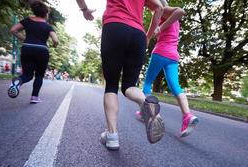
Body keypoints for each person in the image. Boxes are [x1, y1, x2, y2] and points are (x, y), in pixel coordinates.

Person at [76, 0, 165, 150]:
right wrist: (147, 36)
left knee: (111, 85)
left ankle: (112, 136)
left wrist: (84, 9)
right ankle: (145, 102)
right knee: (129, 86)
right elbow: (159, 7)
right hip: (138, 34)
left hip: (115, 27)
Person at [137, 0, 199, 137]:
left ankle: (147, 113)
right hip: (173, 56)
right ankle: (187, 116)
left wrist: (160, 27)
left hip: (160, 52)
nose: (148, 6)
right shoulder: (174, 21)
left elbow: (181, 11)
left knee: (147, 83)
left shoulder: (164, 11)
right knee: (176, 86)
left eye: (148, 4)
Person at [7, 1, 59, 104]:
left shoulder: (27, 21)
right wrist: (54, 45)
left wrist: (24, 39)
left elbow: (13, 30)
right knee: (39, 75)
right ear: (45, 14)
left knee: (27, 74)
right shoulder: (48, 26)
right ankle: (34, 97)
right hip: (42, 50)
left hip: (27, 48)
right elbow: (56, 40)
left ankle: (17, 83)